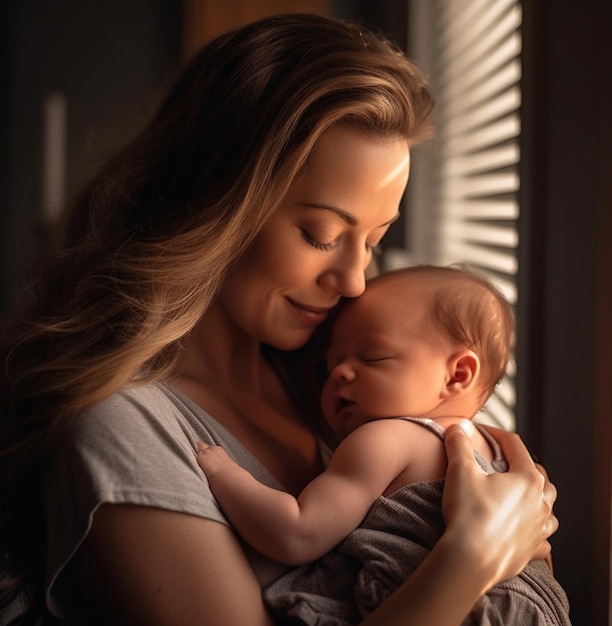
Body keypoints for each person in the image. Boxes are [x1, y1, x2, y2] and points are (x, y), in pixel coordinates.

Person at [0, 13, 558, 626]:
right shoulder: (126, 431)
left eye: (372, 240)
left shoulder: (329, 374)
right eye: (321, 235)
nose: (353, 281)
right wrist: (475, 555)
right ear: (213, 201)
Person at [198, 264, 571, 625]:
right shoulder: (499, 451)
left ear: (457, 374)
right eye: (331, 364)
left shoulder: (386, 439)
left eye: (372, 357)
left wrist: (222, 472)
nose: (340, 372)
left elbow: (298, 533)